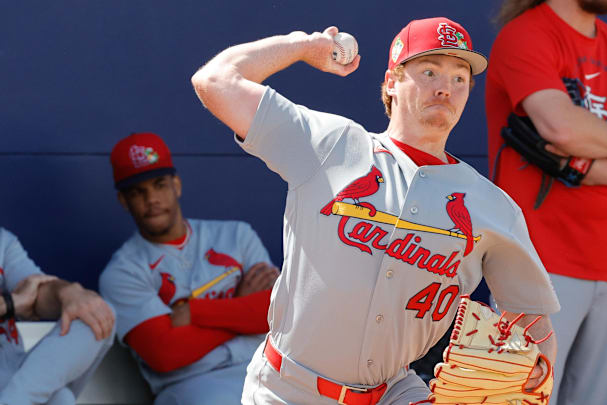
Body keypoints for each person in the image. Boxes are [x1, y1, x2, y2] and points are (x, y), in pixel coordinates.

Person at [191, 17, 561, 405]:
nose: (444, 89)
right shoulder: (330, 144)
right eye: (429, 71)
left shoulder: (492, 206)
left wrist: (537, 372)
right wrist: (300, 46)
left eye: (459, 78)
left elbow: (533, 319)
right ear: (391, 83)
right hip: (287, 389)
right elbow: (215, 81)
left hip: (392, 393)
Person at [485, 1, 607, 404]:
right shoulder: (526, 34)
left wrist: (600, 171)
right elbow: (562, 128)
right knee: (526, 398)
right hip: (536, 265)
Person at [99, 132, 279, 405]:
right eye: (138, 192)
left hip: (262, 366)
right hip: (192, 384)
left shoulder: (237, 236)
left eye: (159, 185)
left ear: (177, 185)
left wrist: (194, 312)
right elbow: (165, 352)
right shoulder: (123, 272)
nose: (152, 200)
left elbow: (277, 312)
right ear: (124, 201)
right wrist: (241, 308)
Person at [0, 228, 115, 405]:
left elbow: (34, 291)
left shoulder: (3, 240)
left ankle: (16, 399)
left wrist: (66, 293)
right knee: (62, 399)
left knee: (97, 311)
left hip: (15, 371)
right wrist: (11, 304)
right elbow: (20, 299)